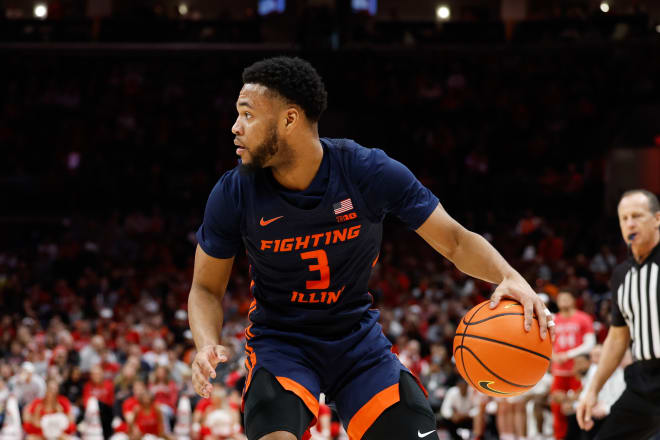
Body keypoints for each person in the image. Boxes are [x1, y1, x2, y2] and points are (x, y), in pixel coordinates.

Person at [188, 56, 552, 440]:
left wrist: (510, 277)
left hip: (356, 341)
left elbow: (456, 240)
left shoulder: (366, 171)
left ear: (289, 120)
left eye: (247, 115)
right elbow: (206, 288)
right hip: (282, 343)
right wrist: (205, 344)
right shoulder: (234, 191)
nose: (235, 127)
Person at [577, 189, 660, 439]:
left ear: (657, 219)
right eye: (624, 218)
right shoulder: (621, 275)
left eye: (637, 216)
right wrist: (592, 391)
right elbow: (616, 337)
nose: (630, 223)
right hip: (643, 381)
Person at [551, 290, 595, 440]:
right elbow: (546, 344)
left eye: (566, 297)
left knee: (580, 405)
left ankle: (582, 436)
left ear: (573, 300)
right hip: (559, 370)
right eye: (560, 298)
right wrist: (553, 355)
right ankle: (560, 437)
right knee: (557, 408)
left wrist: (568, 355)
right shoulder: (553, 320)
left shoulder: (583, 318)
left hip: (578, 371)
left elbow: (590, 344)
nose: (562, 300)